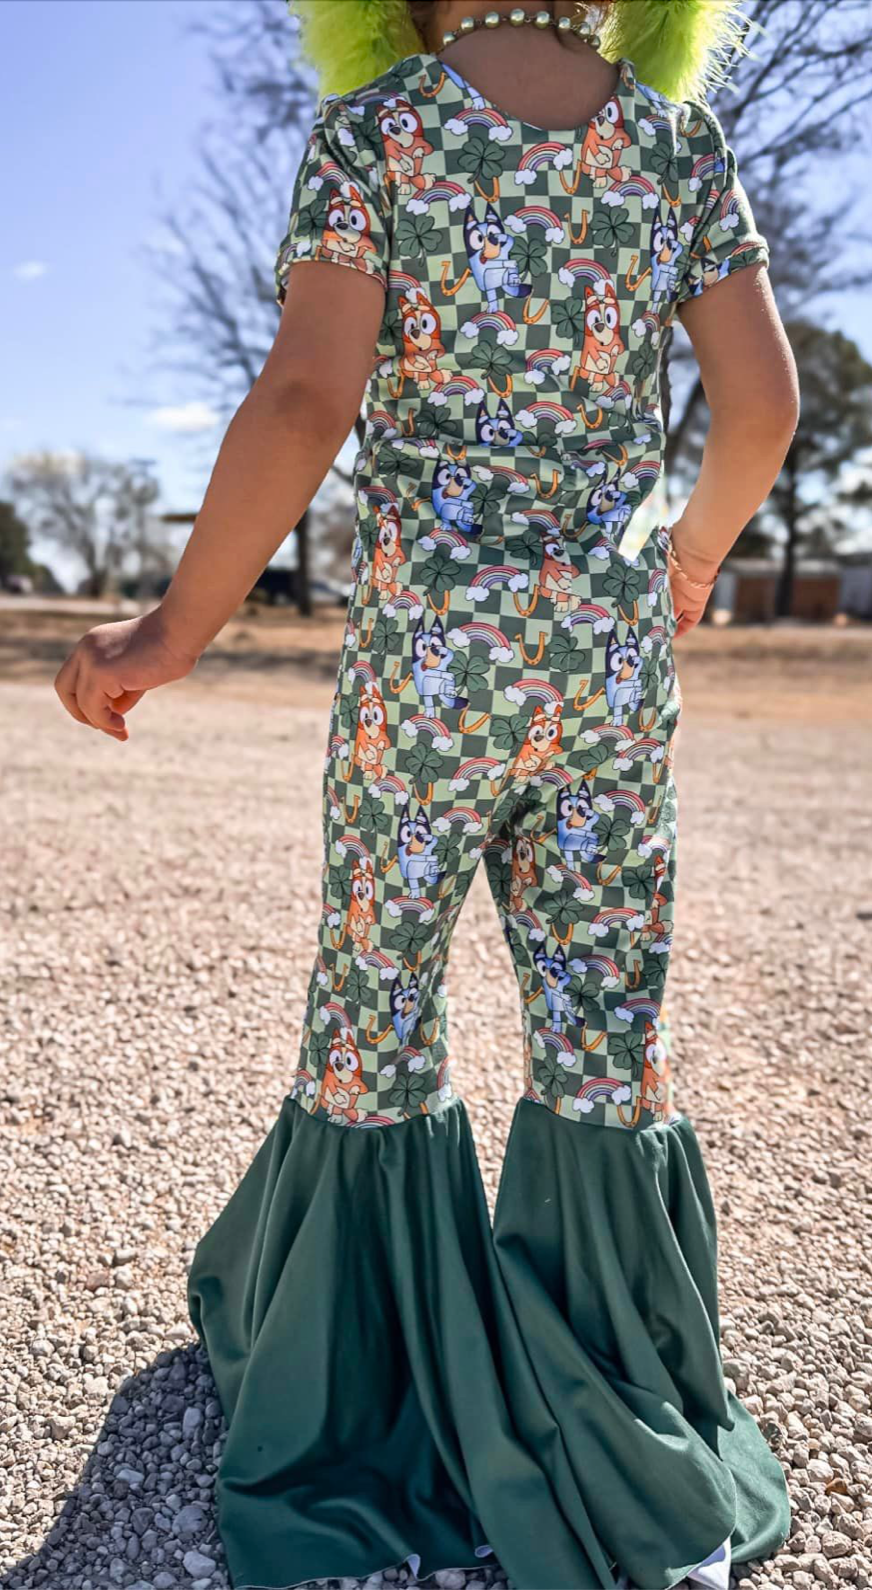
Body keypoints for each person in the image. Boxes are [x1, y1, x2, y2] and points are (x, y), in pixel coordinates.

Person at [54, 2, 799, 1587]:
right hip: (605, 666)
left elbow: (305, 402)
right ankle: (628, 1419)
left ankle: (360, 1410)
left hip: (433, 669)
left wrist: (174, 625)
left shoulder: (378, 131)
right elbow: (762, 410)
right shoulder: (675, 145)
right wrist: (683, 556)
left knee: (376, 1011)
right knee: (605, 1026)